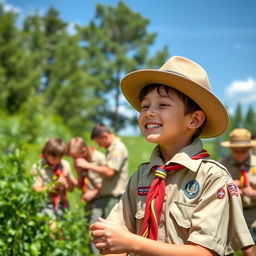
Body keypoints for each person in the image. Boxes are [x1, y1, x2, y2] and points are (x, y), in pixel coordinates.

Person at [90, 56, 254, 256]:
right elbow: (116, 233)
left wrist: (132, 243)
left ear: (194, 119)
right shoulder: (142, 175)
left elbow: (204, 253)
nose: (149, 112)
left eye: (163, 105)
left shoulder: (212, 177)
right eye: (145, 106)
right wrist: (108, 239)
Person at [74, 124, 129, 220]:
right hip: (107, 197)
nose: (99, 146)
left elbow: (110, 172)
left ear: (105, 136)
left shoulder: (117, 149)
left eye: (99, 143)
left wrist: (87, 165)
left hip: (113, 197)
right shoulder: (111, 149)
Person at [67, 136, 107, 255]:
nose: (74, 159)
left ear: (84, 150)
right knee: (86, 233)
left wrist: (94, 192)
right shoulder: (79, 161)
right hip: (88, 201)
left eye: (75, 156)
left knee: (94, 232)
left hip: (101, 198)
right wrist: (68, 177)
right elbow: (79, 184)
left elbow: (110, 180)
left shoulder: (99, 158)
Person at [220, 128, 256, 256]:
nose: (240, 154)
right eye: (236, 151)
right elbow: (215, 191)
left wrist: (252, 193)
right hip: (233, 213)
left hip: (253, 213)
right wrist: (228, 187)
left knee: (249, 251)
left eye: (244, 151)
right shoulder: (223, 165)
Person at [31, 138, 75, 223]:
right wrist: (55, 186)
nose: (58, 160)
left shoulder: (65, 164)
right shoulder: (37, 167)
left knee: (62, 234)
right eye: (55, 157)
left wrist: (68, 178)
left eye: (60, 156)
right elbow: (36, 191)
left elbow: (71, 189)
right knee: (53, 231)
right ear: (47, 154)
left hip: (63, 205)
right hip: (46, 205)